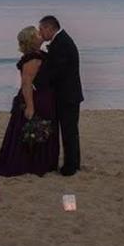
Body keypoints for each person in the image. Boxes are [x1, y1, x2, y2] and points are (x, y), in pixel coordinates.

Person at [0, 26, 60, 177]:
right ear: (32, 39)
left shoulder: (39, 54)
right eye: (37, 34)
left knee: (43, 130)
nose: (41, 35)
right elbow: (26, 84)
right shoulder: (32, 59)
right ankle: (31, 164)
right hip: (35, 99)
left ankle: (43, 162)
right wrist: (30, 107)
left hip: (44, 97)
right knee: (34, 130)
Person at [37, 15, 83, 176]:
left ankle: (71, 167)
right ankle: (73, 163)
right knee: (70, 131)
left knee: (69, 131)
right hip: (67, 94)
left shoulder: (61, 43)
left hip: (68, 96)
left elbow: (55, 71)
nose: (40, 33)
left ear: (50, 28)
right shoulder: (60, 41)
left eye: (41, 29)